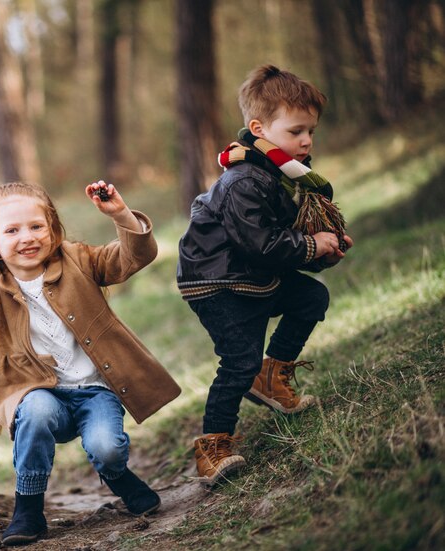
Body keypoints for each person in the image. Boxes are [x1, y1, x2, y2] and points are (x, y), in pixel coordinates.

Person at [0, 180, 181, 546]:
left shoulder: (78, 260)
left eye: (36, 226)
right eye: (12, 230)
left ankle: (119, 476)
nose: (27, 237)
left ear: (52, 228)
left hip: (95, 392)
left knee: (107, 447)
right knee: (38, 410)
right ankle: (28, 508)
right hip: (37, 394)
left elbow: (134, 257)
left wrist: (120, 214)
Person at [176, 65, 354, 486]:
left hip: (251, 273)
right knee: (238, 362)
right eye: (296, 131)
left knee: (311, 299)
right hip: (216, 282)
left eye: (311, 131)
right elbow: (258, 243)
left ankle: (273, 376)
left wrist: (320, 253)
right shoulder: (244, 180)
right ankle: (213, 446)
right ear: (259, 127)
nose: (307, 140)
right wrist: (310, 246)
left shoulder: (285, 176)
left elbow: (277, 243)